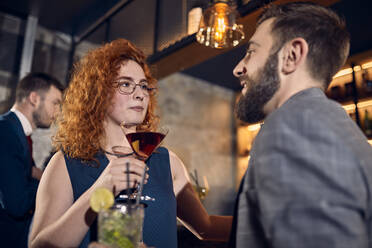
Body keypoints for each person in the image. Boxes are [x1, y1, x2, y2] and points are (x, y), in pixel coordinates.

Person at [29, 39, 232, 248]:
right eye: (125, 84)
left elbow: (206, 227)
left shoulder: (169, 162)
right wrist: (101, 187)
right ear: (97, 93)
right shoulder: (66, 163)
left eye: (144, 86)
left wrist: (264, 220)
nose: (140, 94)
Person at [230, 2, 372, 247]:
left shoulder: (293, 125)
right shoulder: (329, 123)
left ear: (291, 56)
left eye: (251, 51)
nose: (237, 68)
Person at [0, 72, 63, 247]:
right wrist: (47, 182)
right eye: (55, 103)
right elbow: (17, 205)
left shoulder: (16, 131)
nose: (57, 112)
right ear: (34, 98)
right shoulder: (6, 132)